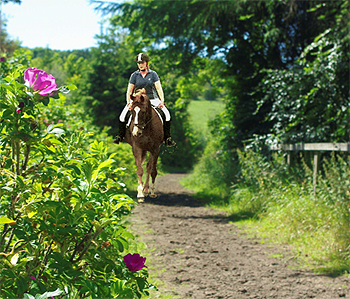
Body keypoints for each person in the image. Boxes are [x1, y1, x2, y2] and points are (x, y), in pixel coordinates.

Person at [114, 53, 176, 147]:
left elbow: (159, 88)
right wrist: (129, 102)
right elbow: (129, 91)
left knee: (167, 115)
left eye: (142, 62)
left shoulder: (153, 74)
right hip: (137, 100)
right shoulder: (134, 75)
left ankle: (167, 138)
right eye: (138, 63)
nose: (140, 65)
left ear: (146, 63)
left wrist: (162, 100)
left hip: (152, 99)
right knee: (122, 116)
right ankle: (120, 136)